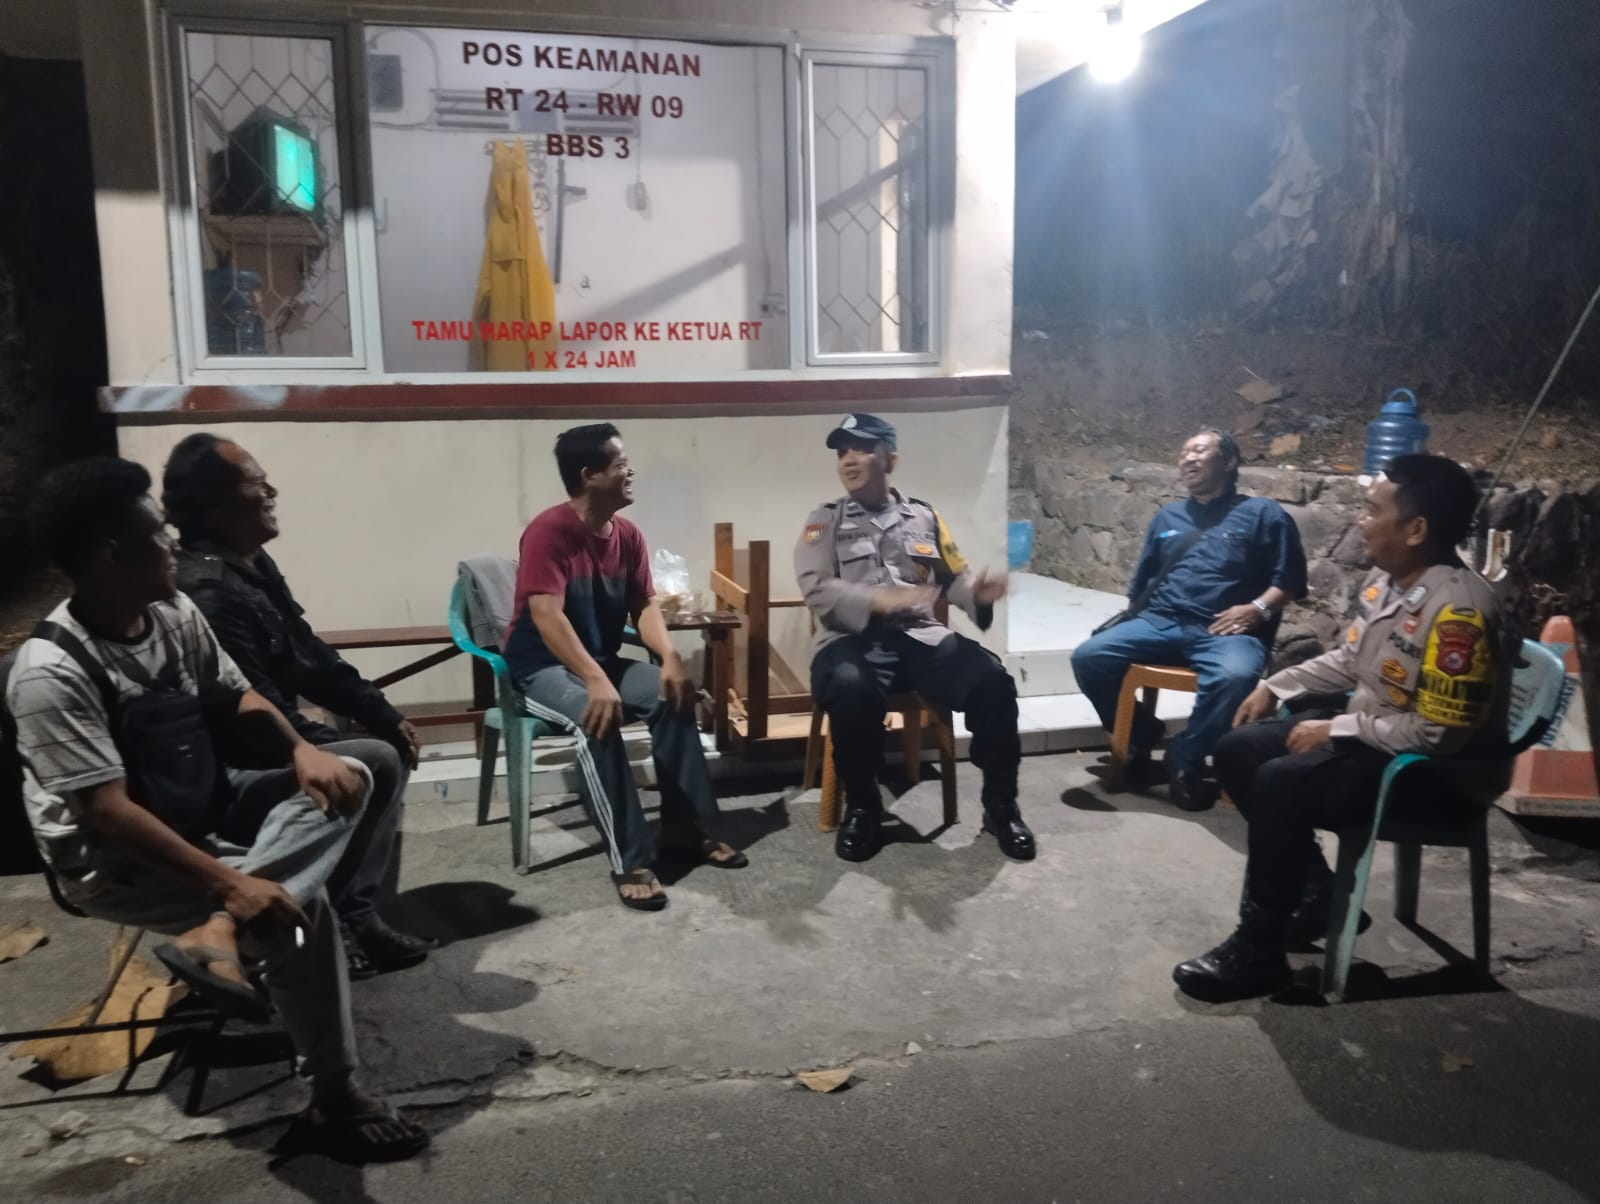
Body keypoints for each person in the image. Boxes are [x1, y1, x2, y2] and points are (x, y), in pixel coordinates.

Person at [6, 457, 428, 1161]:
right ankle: (335, 1099)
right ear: (112, 554)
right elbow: (107, 813)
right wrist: (233, 883)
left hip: (195, 799)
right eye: (157, 532)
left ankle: (218, 930)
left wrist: (300, 749)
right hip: (115, 858)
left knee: (353, 769)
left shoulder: (170, 611)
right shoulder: (51, 674)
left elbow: (238, 696)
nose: (173, 541)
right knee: (299, 911)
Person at [1173, 454, 1508, 1002]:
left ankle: (1258, 951)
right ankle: (1315, 894)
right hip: (1385, 743)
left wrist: (1337, 730)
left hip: (1438, 778)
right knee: (1237, 749)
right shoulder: (1390, 581)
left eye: (1373, 511)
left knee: (1281, 780)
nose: (1360, 520)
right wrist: (1276, 686)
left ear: (1416, 529)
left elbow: (1440, 735)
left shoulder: (1459, 612)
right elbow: (1351, 660)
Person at [162, 433, 434, 978]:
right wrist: (317, 744)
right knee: (369, 762)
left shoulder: (248, 564)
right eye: (257, 485)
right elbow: (248, 713)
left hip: (267, 737)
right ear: (216, 507)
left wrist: (381, 711)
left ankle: (353, 911)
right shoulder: (209, 591)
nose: (272, 493)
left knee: (383, 745)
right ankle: (323, 920)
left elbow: (306, 654)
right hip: (233, 766)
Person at [504, 423, 748, 910]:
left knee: (672, 695)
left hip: (600, 661)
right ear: (589, 475)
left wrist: (670, 658)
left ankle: (685, 828)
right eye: (620, 465)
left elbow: (644, 605)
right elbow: (546, 616)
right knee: (597, 717)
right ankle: (630, 858)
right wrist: (595, 680)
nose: (630, 472)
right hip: (540, 668)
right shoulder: (549, 532)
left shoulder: (628, 535)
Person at [796, 413, 1034, 863]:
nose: (849, 459)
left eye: (862, 448)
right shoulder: (824, 520)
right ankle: (863, 807)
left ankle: (1001, 804)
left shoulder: (924, 517)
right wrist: (877, 600)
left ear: (890, 459)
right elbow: (816, 588)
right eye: (842, 451)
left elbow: (952, 577)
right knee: (850, 688)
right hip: (850, 639)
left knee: (992, 681)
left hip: (919, 636)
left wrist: (977, 593)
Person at [1071, 429, 1308, 810]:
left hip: (1225, 631)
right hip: (1161, 622)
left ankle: (1185, 756)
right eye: (1183, 453)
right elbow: (1142, 584)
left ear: (1228, 462)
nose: (1188, 458)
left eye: (1199, 451)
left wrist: (1257, 610)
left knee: (1235, 676)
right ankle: (1141, 734)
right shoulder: (1167, 516)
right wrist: (1136, 620)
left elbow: (1290, 581)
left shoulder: (1265, 514)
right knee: (1089, 657)